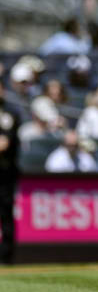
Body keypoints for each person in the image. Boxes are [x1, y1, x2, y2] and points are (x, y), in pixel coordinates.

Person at [0, 81, 19, 264]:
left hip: (4, 173)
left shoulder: (8, 114)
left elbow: (4, 144)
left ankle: (6, 256)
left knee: (6, 213)